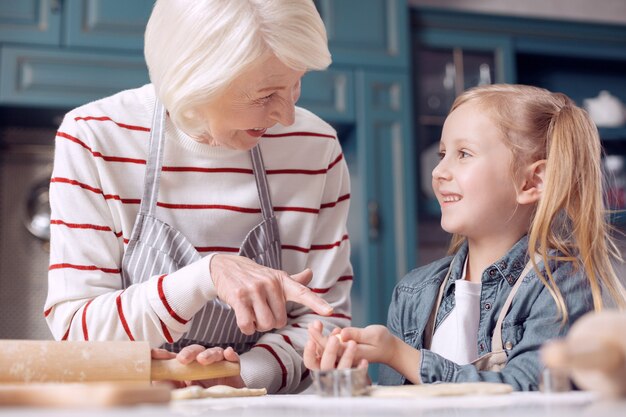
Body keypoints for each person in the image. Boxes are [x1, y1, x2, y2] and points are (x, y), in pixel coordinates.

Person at [44, 0, 353, 394]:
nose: (287, 116)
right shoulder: (94, 138)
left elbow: (326, 323)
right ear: (192, 80)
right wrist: (204, 277)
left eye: (295, 84)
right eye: (264, 96)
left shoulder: (316, 147)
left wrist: (244, 375)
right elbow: (76, 334)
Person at [304, 84, 626, 391]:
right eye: (443, 153)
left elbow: (526, 394)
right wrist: (349, 381)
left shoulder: (560, 284)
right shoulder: (413, 293)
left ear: (532, 181)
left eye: (463, 154)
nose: (438, 171)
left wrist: (400, 355)